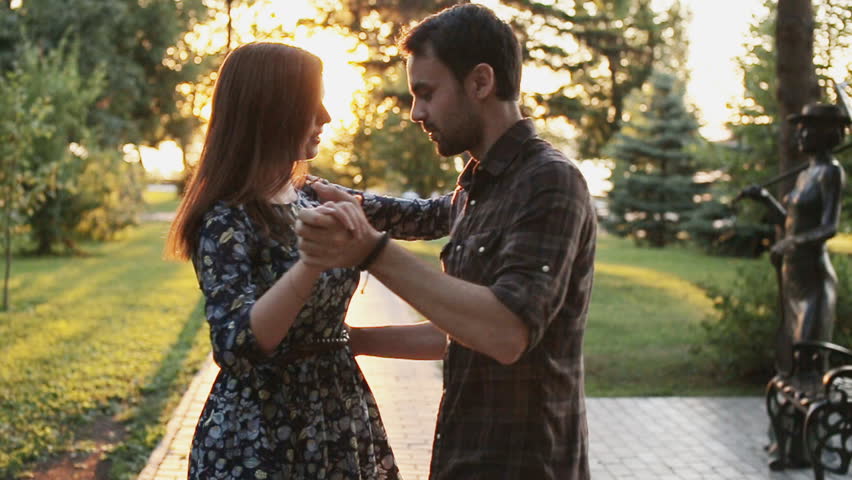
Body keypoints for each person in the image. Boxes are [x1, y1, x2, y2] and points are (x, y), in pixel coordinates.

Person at [296, 4, 596, 479]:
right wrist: (348, 340)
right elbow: (452, 312)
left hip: (525, 464)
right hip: (463, 457)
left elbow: (504, 332)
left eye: (427, 93)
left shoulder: (550, 182)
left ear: (480, 82)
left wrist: (370, 250)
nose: (416, 112)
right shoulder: (477, 185)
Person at [165, 42, 400, 480]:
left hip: (338, 421)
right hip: (261, 439)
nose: (326, 116)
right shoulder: (226, 217)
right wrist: (310, 265)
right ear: (270, 109)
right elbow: (237, 347)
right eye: (312, 102)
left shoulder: (313, 196)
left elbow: (432, 216)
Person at [740, 103, 848, 375]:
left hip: (814, 280)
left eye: (806, 130)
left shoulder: (830, 172)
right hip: (794, 279)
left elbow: (828, 228)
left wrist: (790, 243)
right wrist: (764, 200)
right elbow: (789, 223)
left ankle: (813, 409)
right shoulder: (804, 174)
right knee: (793, 360)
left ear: (825, 134)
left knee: (808, 358)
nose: (799, 135)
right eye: (799, 130)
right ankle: (795, 412)